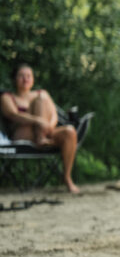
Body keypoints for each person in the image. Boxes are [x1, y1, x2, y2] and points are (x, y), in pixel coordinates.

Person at [1, 64, 81, 194]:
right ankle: (41, 138)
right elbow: (13, 115)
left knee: (69, 131)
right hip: (22, 134)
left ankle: (67, 177)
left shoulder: (41, 93)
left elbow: (54, 115)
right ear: (14, 78)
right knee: (40, 100)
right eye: (21, 76)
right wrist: (38, 120)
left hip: (46, 131)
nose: (25, 79)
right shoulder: (7, 97)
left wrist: (48, 125)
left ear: (33, 79)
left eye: (28, 76)